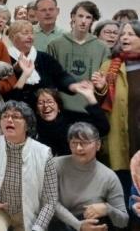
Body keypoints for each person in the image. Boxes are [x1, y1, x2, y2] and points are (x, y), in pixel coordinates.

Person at [0, 101, 58, 231]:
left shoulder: (44, 154)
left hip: (27, 213)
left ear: (28, 124)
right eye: (5, 116)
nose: (9, 120)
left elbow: (50, 201)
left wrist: (38, 228)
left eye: (16, 116)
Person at [52, 122, 128, 231]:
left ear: (98, 145)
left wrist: (108, 209)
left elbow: (123, 221)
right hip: (59, 224)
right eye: (74, 143)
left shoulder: (109, 177)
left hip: (91, 224)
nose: (78, 148)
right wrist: (79, 225)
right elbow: (50, 203)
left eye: (84, 143)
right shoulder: (55, 165)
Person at [97, 20, 140, 200]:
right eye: (122, 34)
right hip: (117, 138)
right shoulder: (109, 66)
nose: (124, 37)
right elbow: (99, 103)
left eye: (130, 34)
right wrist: (100, 88)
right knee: (121, 193)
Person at [5, 20, 79, 109]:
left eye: (32, 33)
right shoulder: (5, 58)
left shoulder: (44, 57)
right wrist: (16, 70)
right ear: (13, 36)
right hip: (17, 110)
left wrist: (72, 85)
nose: (30, 36)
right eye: (25, 33)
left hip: (44, 110)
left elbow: (61, 76)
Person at [34, 87, 109, 157]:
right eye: (40, 103)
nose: (46, 106)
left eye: (50, 102)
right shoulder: (33, 126)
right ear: (37, 110)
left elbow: (103, 127)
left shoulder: (72, 118)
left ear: (58, 106)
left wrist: (90, 97)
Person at [48, 1, 110, 84]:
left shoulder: (103, 48)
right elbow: (48, 77)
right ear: (73, 17)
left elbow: (104, 81)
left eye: (88, 17)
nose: (83, 21)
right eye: (80, 16)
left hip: (90, 95)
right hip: (60, 96)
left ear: (93, 20)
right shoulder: (55, 45)